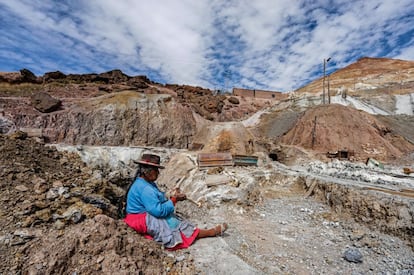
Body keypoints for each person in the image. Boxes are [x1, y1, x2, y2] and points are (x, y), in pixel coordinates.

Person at [124, 153, 228, 250]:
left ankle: (198, 232)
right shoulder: (145, 188)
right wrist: (174, 200)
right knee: (172, 223)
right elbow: (158, 211)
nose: (158, 173)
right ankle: (208, 233)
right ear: (148, 172)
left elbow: (158, 197)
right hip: (140, 219)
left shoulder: (145, 183)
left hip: (142, 215)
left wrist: (170, 195)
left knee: (173, 219)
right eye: (156, 170)